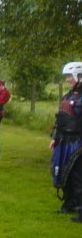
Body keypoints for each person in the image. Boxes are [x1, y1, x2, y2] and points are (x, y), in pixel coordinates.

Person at [49, 62, 82, 222]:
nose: (68, 79)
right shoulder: (68, 96)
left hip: (78, 141)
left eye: (70, 76)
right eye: (67, 76)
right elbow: (60, 118)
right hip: (64, 140)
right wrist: (55, 137)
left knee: (77, 176)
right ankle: (69, 204)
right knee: (65, 174)